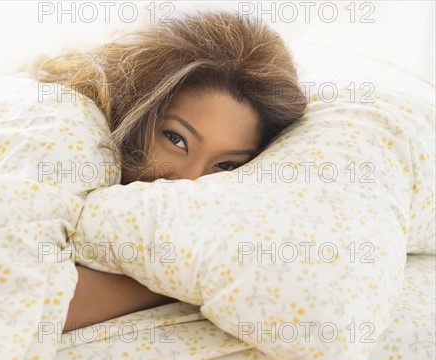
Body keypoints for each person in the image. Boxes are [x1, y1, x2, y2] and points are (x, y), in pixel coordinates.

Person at [31, 10, 307, 332]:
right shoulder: (75, 134)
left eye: (226, 165)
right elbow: (25, 307)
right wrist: (172, 284)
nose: (188, 180)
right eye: (177, 139)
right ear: (140, 107)